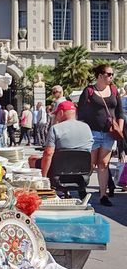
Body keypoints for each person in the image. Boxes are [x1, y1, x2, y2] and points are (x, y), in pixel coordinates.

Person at [77, 63, 125, 206]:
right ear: (99, 75)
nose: (111, 77)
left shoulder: (114, 90)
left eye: (112, 74)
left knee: (103, 164)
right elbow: (81, 114)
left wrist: (119, 130)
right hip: (92, 133)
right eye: (108, 74)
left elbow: (119, 112)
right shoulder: (89, 91)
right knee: (90, 164)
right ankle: (82, 188)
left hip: (109, 134)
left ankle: (103, 196)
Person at [40, 101, 93, 177]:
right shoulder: (87, 127)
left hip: (59, 169)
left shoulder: (55, 128)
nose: (56, 117)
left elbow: (48, 153)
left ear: (61, 112)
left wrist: (43, 176)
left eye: (56, 114)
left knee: (32, 160)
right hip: (82, 171)